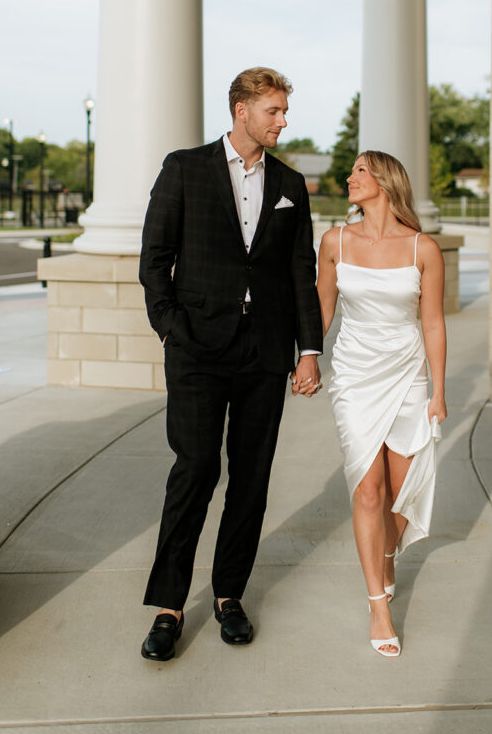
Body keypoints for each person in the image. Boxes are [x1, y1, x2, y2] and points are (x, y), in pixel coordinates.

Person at [139, 67, 323, 662]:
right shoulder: (184, 168)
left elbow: (301, 273)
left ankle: (228, 596)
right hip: (197, 347)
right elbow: (154, 259)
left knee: (252, 475)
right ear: (242, 110)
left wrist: (309, 351)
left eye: (284, 110)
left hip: (264, 352)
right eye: (273, 110)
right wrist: (172, 328)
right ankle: (169, 605)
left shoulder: (292, 182)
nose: (282, 120)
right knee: (194, 468)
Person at [316, 151, 447, 658]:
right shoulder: (335, 241)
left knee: (400, 489)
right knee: (367, 490)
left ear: (385, 182)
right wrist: (305, 359)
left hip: (409, 375)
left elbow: (432, 322)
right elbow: (323, 308)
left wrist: (438, 390)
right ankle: (378, 605)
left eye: (359, 172)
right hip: (354, 375)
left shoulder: (422, 248)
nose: (349, 179)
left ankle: (387, 551)